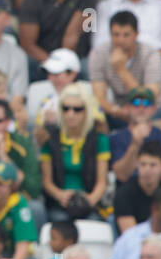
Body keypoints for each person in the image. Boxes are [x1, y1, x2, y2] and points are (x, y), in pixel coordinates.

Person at [39, 83, 109, 222]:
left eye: (77, 109)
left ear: (86, 111)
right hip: (58, 203)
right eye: (65, 109)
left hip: (90, 201)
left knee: (94, 221)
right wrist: (60, 195)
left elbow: (102, 182)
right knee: (59, 219)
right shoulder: (49, 138)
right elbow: (46, 181)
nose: (70, 114)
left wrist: (89, 200)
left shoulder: (99, 139)